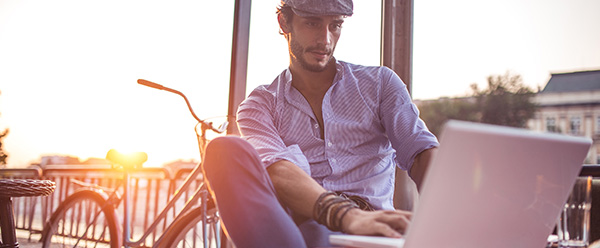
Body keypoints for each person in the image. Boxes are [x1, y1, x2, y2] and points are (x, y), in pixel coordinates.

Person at [200, 0, 439, 247]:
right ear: (284, 22)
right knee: (223, 151)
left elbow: (421, 151)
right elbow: (276, 169)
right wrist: (346, 216)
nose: (325, 39)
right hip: (301, 231)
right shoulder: (260, 105)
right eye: (312, 23)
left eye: (335, 25)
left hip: (373, 233)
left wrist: (449, 221)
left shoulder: (380, 84)